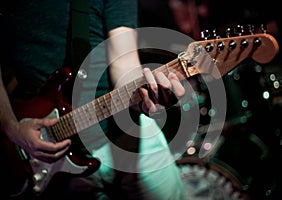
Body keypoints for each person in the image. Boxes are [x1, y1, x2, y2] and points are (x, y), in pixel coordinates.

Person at [0, 0, 192, 199]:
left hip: (131, 140)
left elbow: (124, 63)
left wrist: (145, 96)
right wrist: (12, 129)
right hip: (47, 153)